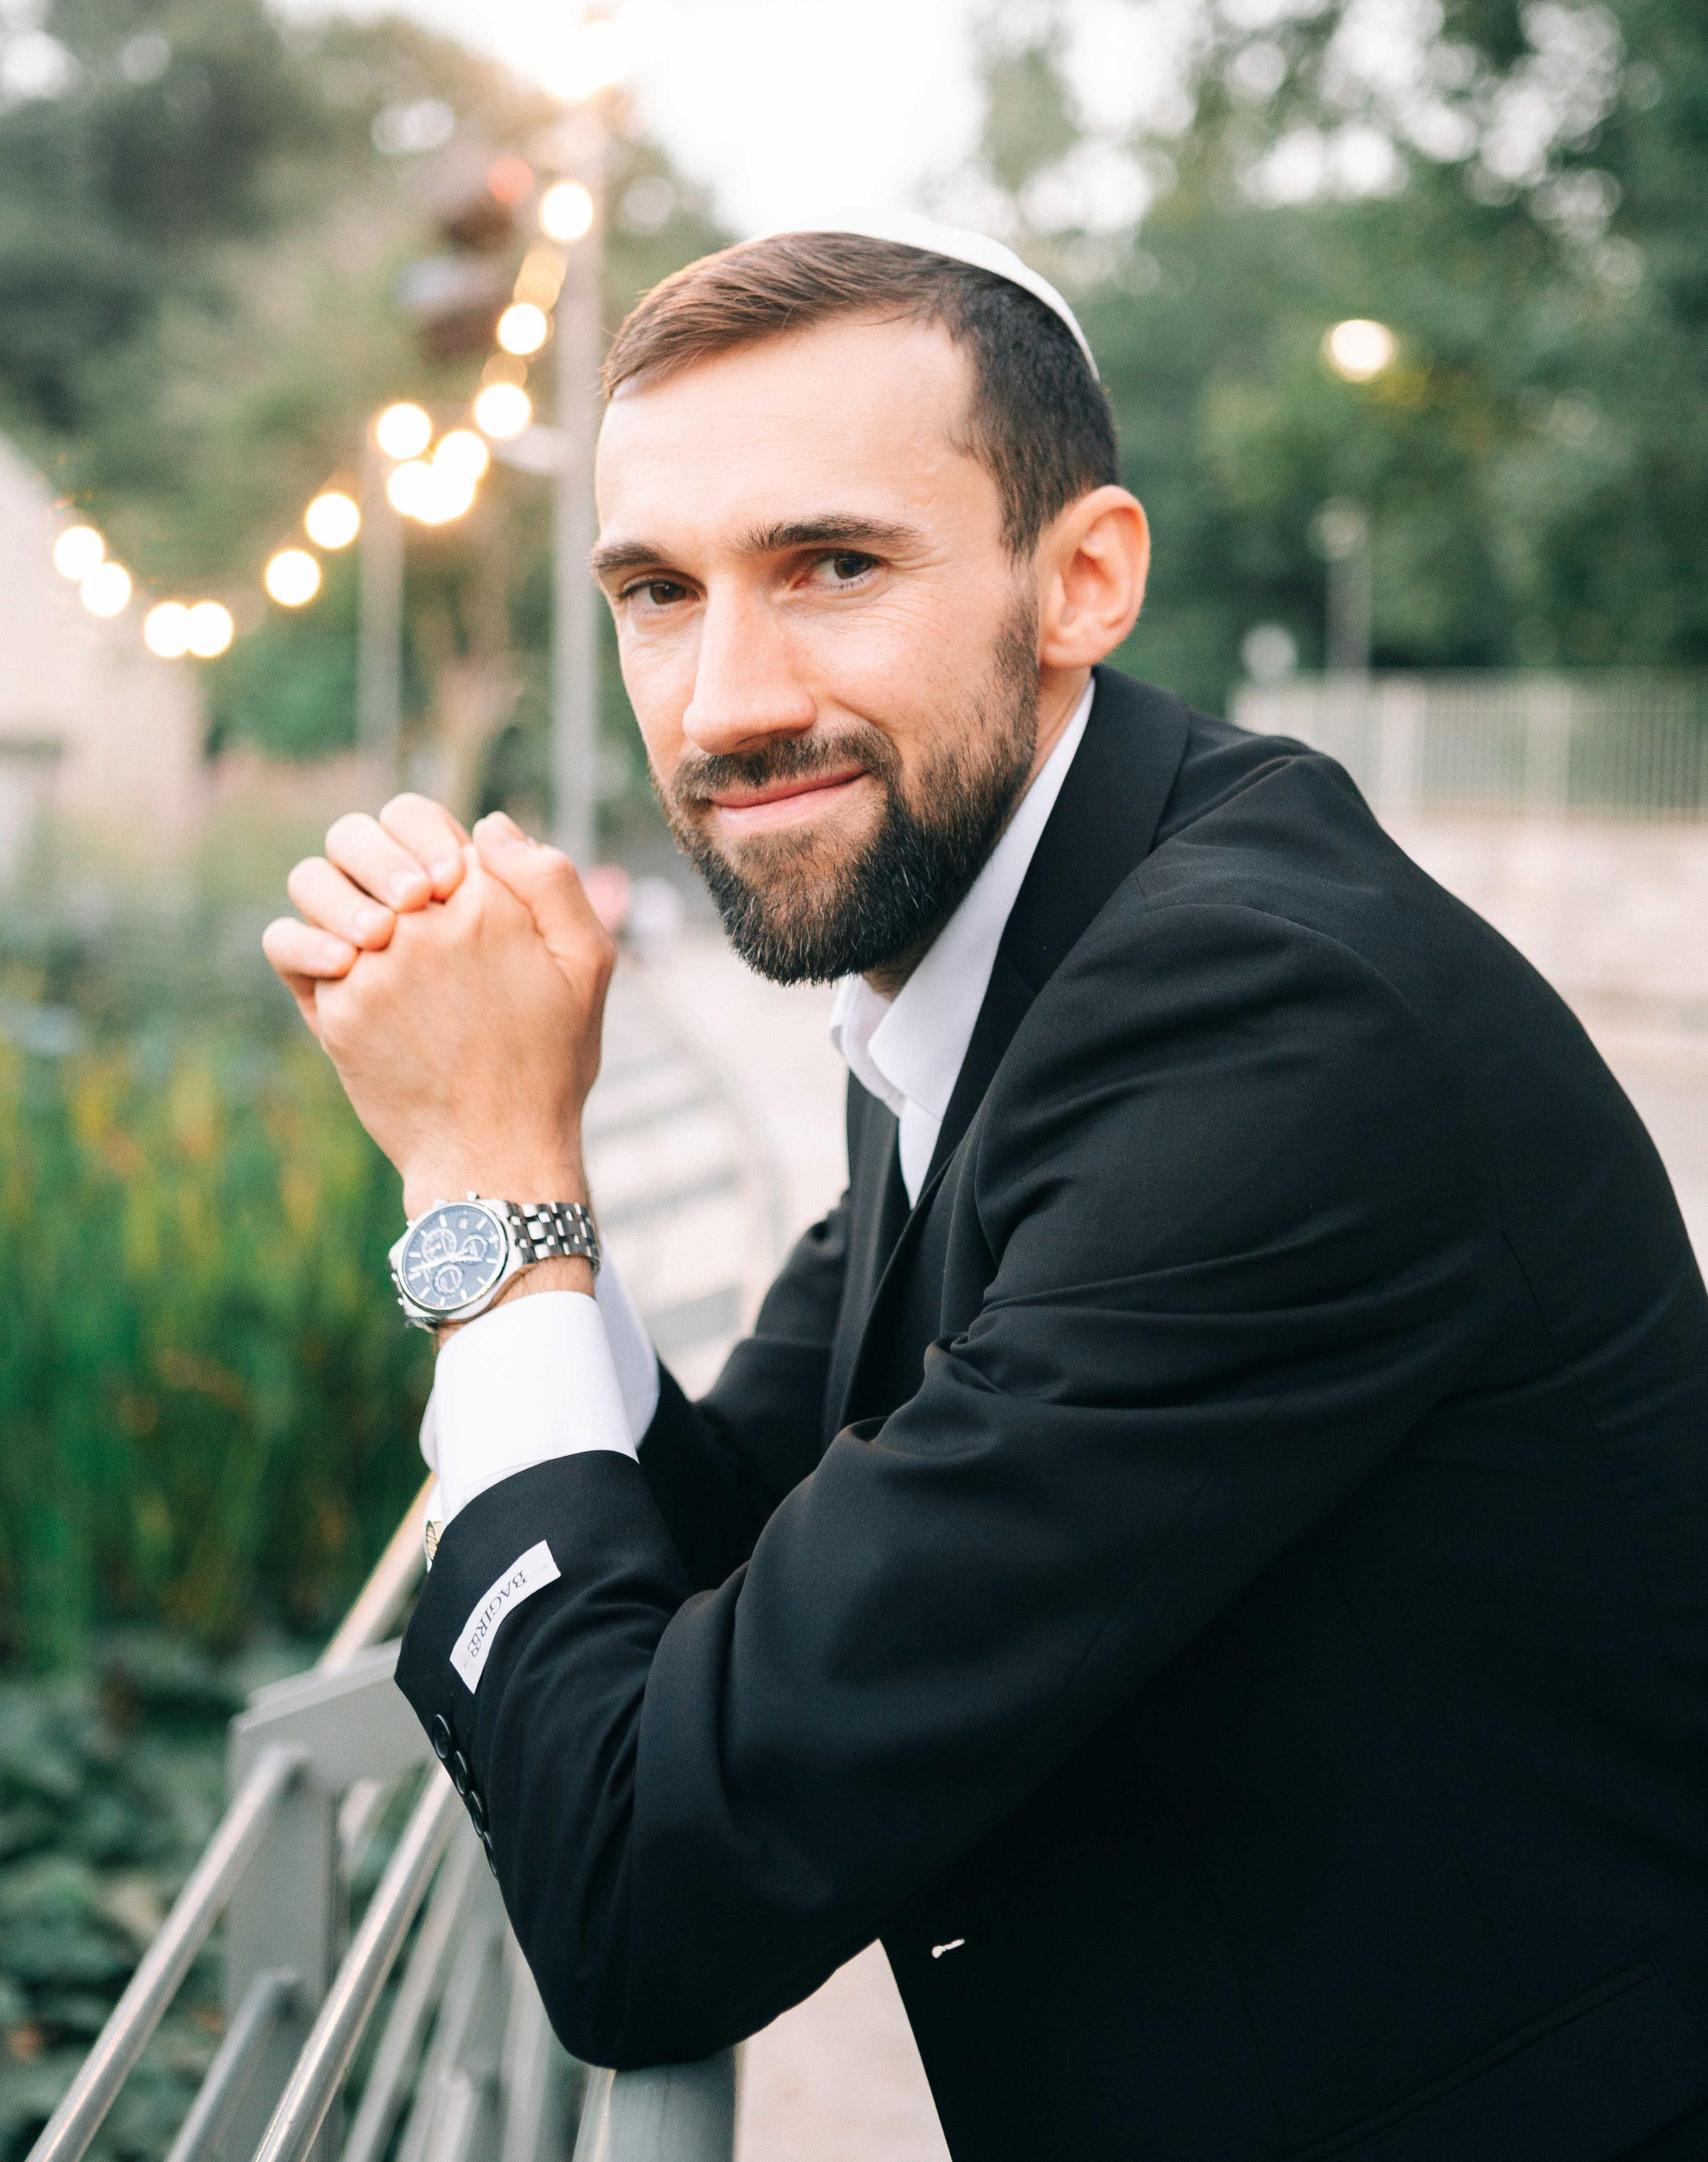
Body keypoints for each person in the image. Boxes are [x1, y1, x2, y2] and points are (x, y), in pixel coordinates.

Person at [263, 223, 1708, 2162]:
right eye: (657, 593)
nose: (722, 707)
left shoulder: (1257, 1032)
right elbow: (713, 1547)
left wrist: (489, 1182)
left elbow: (641, 1898)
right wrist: (522, 1192)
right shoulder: (993, 942)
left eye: (833, 566)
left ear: (1082, 578)